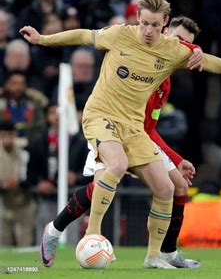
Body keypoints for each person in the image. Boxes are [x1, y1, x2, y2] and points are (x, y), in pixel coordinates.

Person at [20, 0, 221, 270]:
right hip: (101, 116)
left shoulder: (172, 51)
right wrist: (43, 39)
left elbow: (214, 64)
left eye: (155, 25)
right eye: (144, 23)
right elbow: (83, 34)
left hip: (134, 127)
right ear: (137, 17)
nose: (148, 30)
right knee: (117, 165)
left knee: (166, 188)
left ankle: (155, 256)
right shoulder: (119, 34)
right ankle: (92, 235)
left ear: (165, 25)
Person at [39, 16, 201, 269]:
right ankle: (56, 229)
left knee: (177, 187)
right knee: (100, 187)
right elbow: (87, 36)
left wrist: (176, 160)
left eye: (188, 46)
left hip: (138, 135)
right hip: (109, 126)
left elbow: (148, 128)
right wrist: (43, 40)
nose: (182, 48)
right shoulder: (141, 63)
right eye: (179, 40)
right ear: (165, 32)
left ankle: (166, 253)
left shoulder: (164, 82)